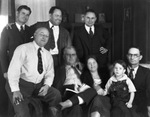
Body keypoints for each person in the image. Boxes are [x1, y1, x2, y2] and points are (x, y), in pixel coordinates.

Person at [5, 27, 61, 117]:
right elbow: (13, 71)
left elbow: (50, 73)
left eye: (47, 36)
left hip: (38, 86)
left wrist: (47, 85)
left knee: (56, 95)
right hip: (21, 86)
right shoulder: (23, 49)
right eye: (41, 34)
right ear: (35, 35)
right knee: (23, 114)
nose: (44, 37)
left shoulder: (47, 54)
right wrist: (15, 90)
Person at [0, 5, 32, 116]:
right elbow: (2, 52)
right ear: (17, 14)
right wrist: (5, 71)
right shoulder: (7, 29)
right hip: (10, 69)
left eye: (27, 15)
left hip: (25, 70)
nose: (25, 16)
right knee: (11, 95)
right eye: (23, 13)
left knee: (21, 95)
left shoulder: (30, 30)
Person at [53, 46, 97, 117]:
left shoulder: (82, 68)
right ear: (64, 56)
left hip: (81, 91)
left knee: (93, 91)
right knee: (76, 107)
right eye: (68, 55)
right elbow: (56, 84)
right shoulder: (58, 69)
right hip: (67, 90)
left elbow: (91, 82)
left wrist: (83, 70)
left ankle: (64, 104)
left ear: (76, 56)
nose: (71, 57)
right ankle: (68, 102)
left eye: (73, 55)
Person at [73, 9, 111, 82]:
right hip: (86, 64)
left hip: (101, 63)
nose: (90, 20)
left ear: (95, 19)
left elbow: (109, 38)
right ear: (84, 18)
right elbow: (78, 49)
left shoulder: (100, 29)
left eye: (92, 18)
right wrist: (81, 62)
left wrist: (106, 48)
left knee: (104, 84)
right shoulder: (78, 32)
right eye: (88, 18)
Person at [126, 47, 150, 117]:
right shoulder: (119, 69)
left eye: (135, 55)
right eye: (130, 55)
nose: (132, 57)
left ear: (140, 57)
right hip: (123, 104)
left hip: (140, 106)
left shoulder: (147, 72)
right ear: (127, 56)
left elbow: (149, 91)